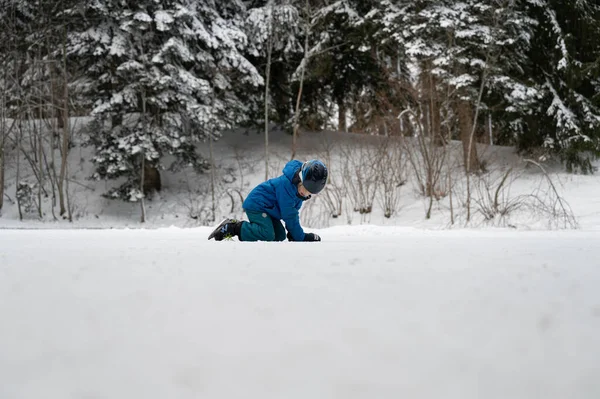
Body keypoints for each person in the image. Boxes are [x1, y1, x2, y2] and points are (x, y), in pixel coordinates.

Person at [208, 159, 327, 242]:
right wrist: (300, 237)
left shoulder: (297, 189)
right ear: (300, 178)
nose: (304, 194)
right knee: (267, 234)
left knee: (279, 236)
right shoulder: (286, 186)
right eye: (304, 188)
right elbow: (289, 215)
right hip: (257, 205)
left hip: (269, 211)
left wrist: (293, 233)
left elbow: (293, 211)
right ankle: (233, 227)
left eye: (309, 193)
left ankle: (244, 228)